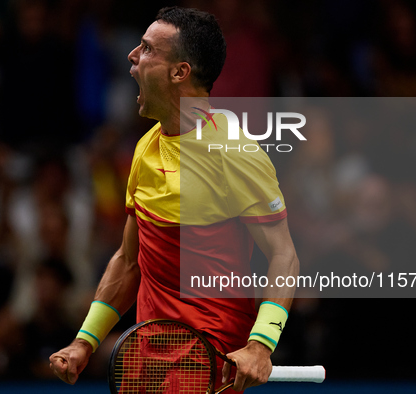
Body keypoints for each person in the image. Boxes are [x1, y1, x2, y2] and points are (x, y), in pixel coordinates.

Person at [49, 6, 299, 392]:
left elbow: (284, 255)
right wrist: (85, 341)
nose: (132, 57)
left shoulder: (234, 153)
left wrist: (260, 345)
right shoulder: (146, 146)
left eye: (147, 49)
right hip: (147, 363)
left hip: (210, 364)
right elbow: (130, 261)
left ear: (179, 72)